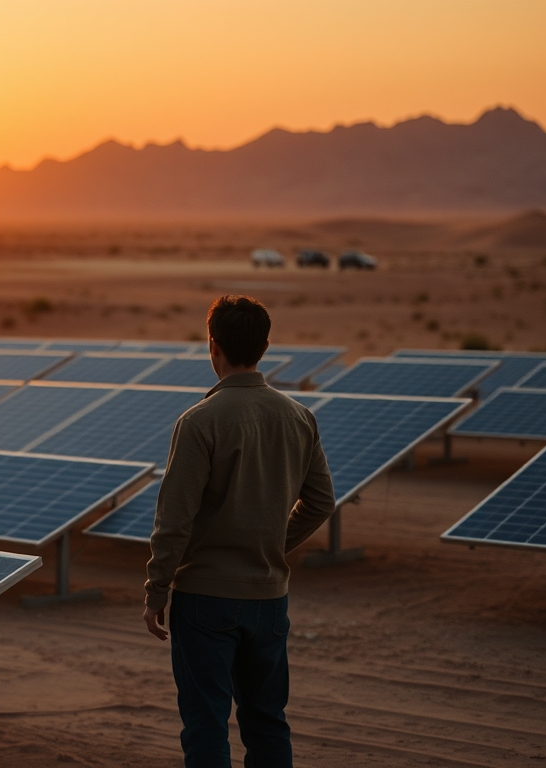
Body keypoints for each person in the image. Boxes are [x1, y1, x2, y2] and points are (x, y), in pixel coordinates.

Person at [142, 295, 335, 768]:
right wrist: (269, 544)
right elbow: (321, 502)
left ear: (213, 347)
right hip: (269, 598)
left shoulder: (199, 421)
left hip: (204, 597)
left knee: (206, 723)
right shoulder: (298, 417)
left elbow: (174, 519)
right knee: (268, 720)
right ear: (265, 346)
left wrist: (156, 589)